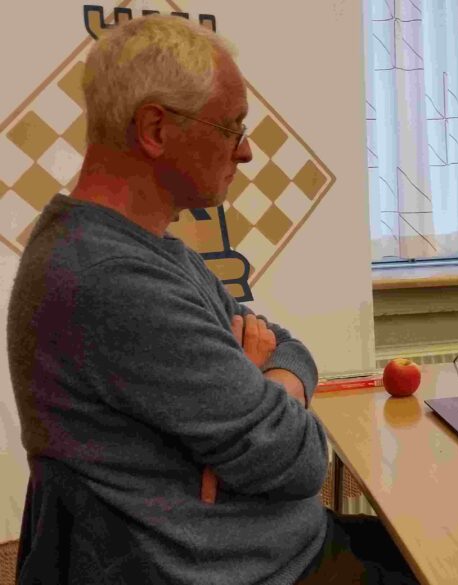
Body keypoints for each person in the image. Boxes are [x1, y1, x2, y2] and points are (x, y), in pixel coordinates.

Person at [7, 15, 416, 585]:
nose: (245, 151)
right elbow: (301, 460)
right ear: (155, 129)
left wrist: (263, 387)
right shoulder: (112, 278)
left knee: (422, 541)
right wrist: (259, 399)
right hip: (258, 572)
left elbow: (289, 347)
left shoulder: (154, 251)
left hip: (279, 548)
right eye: (231, 128)